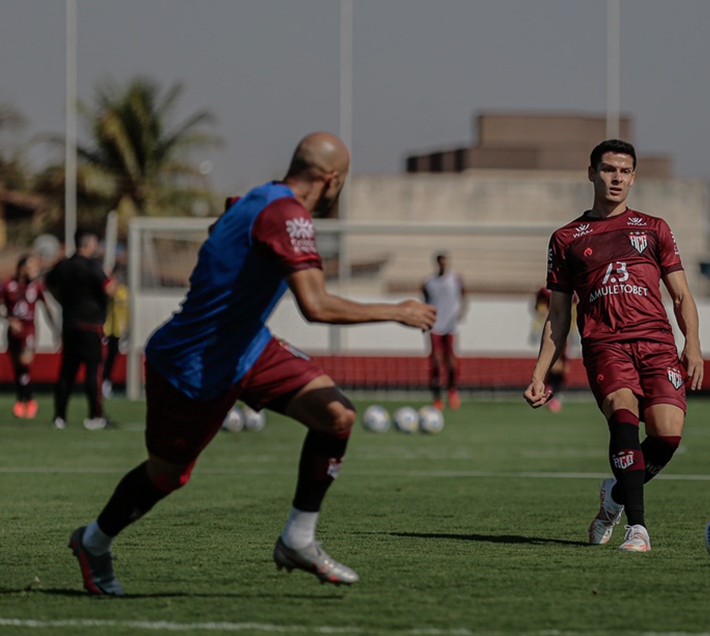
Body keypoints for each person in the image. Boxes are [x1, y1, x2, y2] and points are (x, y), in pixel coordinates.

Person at [68, 132, 436, 596]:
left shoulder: (258, 197)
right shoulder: (287, 214)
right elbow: (316, 305)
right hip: (192, 362)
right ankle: (94, 541)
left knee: (336, 415)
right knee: (167, 475)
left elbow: (225, 225)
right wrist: (396, 311)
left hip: (249, 348)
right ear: (332, 179)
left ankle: (297, 539)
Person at [524, 139, 704, 553]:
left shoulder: (655, 228)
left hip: (657, 345)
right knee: (623, 416)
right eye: (608, 169)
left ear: (634, 177)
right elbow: (557, 315)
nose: (616, 178)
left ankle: (616, 495)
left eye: (624, 171)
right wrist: (538, 374)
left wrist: (692, 344)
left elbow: (681, 295)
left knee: (667, 436)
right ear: (591, 173)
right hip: (605, 345)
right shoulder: (567, 238)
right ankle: (637, 529)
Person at [45, 229, 116, 430]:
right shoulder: (93, 266)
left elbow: (49, 285)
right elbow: (110, 289)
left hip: (70, 323)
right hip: (92, 325)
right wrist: (110, 277)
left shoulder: (63, 266)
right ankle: (95, 415)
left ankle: (59, 416)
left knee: (67, 372)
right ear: (89, 244)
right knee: (94, 372)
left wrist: (64, 302)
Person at [0, 254, 57, 418]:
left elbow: (47, 308)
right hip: (13, 331)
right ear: (22, 269)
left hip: (29, 330)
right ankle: (23, 399)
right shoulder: (7, 285)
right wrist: (10, 320)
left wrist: (56, 331)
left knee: (24, 365)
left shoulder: (37, 287)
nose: (35, 271)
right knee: (18, 369)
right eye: (32, 268)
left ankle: (27, 401)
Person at [422, 252, 467, 410]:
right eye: (440, 262)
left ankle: (452, 391)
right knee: (435, 360)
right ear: (437, 263)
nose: (443, 264)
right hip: (435, 325)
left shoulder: (455, 279)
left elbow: (463, 295)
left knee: (451, 360)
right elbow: (425, 300)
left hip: (450, 326)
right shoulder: (429, 282)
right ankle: (437, 396)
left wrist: (462, 311)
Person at [101, 264, 129, 399]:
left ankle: (106, 382)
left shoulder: (123, 292)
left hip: (117, 330)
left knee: (112, 357)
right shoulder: (105, 291)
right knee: (102, 358)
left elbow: (127, 312)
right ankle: (101, 383)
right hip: (105, 329)